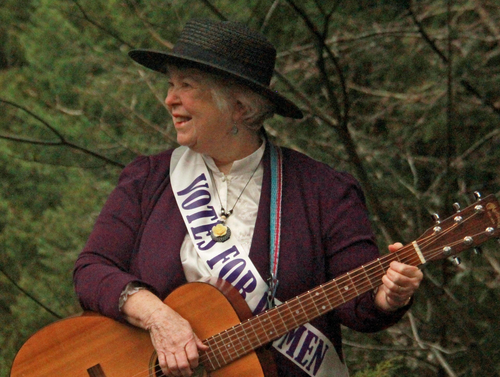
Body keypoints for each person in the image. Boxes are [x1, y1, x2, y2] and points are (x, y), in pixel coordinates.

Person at [73, 18, 423, 377]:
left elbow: (359, 306)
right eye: (170, 84)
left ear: (239, 106)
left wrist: (390, 296)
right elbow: (91, 271)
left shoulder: (325, 190)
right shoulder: (147, 179)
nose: (169, 99)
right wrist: (159, 318)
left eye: (186, 86)